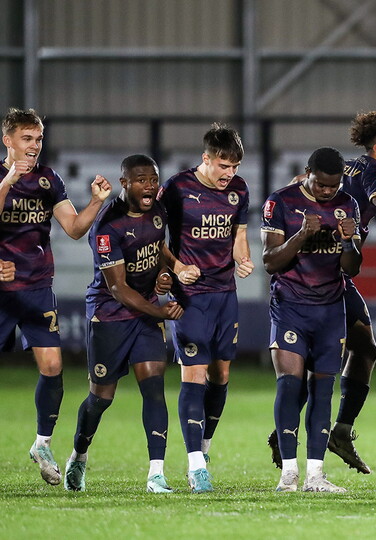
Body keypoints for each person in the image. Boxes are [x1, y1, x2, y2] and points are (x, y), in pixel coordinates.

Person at [267, 107, 376, 474]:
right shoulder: (371, 174)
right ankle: (307, 431)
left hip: (332, 276)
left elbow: (301, 184)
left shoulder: (352, 167)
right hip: (316, 279)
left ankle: (330, 430)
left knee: (359, 349)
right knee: (328, 358)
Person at [63, 154, 199, 492]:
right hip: (111, 315)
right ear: (125, 183)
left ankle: (156, 474)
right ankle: (78, 457)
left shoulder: (157, 211)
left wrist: (173, 270)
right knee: (101, 398)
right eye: (141, 180)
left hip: (146, 313)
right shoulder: (108, 226)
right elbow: (118, 288)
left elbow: (159, 248)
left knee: (154, 389)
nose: (149, 186)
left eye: (153, 179)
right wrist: (162, 311)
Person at [0, 107, 112, 486]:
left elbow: (75, 229)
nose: (35, 146)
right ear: (8, 141)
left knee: (52, 368)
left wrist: (95, 202)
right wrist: (6, 184)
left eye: (39, 139)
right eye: (27, 139)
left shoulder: (49, 180)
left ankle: (42, 443)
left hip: (36, 287)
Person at [159, 123, 253, 493]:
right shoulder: (179, 188)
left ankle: (205, 445)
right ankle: (195, 463)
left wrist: (243, 260)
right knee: (193, 374)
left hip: (224, 293)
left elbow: (239, 236)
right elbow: (155, 234)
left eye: (234, 168)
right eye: (223, 167)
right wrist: (177, 268)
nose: (229, 175)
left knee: (222, 374)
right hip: (191, 296)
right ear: (206, 159)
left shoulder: (239, 190)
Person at [262, 147, 362, 493]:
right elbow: (271, 261)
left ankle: (315, 476)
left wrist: (349, 241)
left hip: (331, 310)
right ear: (307, 173)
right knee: (290, 385)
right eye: (320, 185)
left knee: (323, 389)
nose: (326, 192)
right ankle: (288, 473)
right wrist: (302, 234)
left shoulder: (348, 205)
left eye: (333, 187)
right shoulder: (281, 202)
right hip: (290, 307)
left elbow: (353, 268)